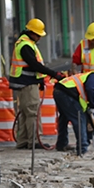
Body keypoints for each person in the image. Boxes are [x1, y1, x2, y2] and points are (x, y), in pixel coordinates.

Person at [9, 18, 65, 149]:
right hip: (27, 84)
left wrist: (39, 80)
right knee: (32, 112)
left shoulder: (25, 43)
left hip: (24, 83)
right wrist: (54, 74)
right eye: (38, 35)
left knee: (25, 112)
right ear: (32, 32)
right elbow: (35, 65)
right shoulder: (26, 45)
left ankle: (23, 141)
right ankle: (34, 140)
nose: (40, 37)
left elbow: (31, 67)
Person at [53, 70, 94, 154]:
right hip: (67, 93)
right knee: (79, 119)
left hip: (60, 90)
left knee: (64, 118)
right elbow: (90, 89)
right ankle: (82, 148)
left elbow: (90, 113)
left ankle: (61, 144)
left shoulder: (90, 83)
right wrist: (93, 103)